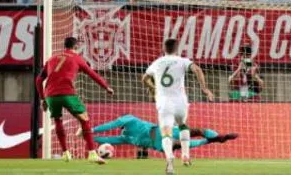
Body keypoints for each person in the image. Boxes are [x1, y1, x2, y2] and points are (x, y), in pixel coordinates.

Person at [35, 37, 114, 164]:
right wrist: (106, 87)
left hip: (50, 95)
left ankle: (65, 153)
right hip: (67, 93)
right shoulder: (77, 58)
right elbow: (92, 74)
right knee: (84, 118)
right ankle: (92, 153)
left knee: (57, 119)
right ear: (76, 47)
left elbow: (39, 80)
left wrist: (42, 99)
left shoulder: (51, 59)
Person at [142, 38, 214, 174]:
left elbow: (144, 78)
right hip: (181, 102)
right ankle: (186, 155)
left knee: (166, 132)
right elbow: (197, 70)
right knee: (182, 124)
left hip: (164, 103)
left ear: (164, 49)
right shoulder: (182, 61)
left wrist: (153, 88)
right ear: (176, 48)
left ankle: (169, 160)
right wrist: (204, 89)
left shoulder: (157, 62)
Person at [88, 114, 237, 156]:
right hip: (161, 131)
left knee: (184, 145)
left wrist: (89, 134)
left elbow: (107, 138)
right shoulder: (129, 123)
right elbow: (109, 133)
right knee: (195, 132)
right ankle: (217, 138)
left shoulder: (126, 134)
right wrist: (90, 132)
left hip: (158, 144)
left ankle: (212, 141)